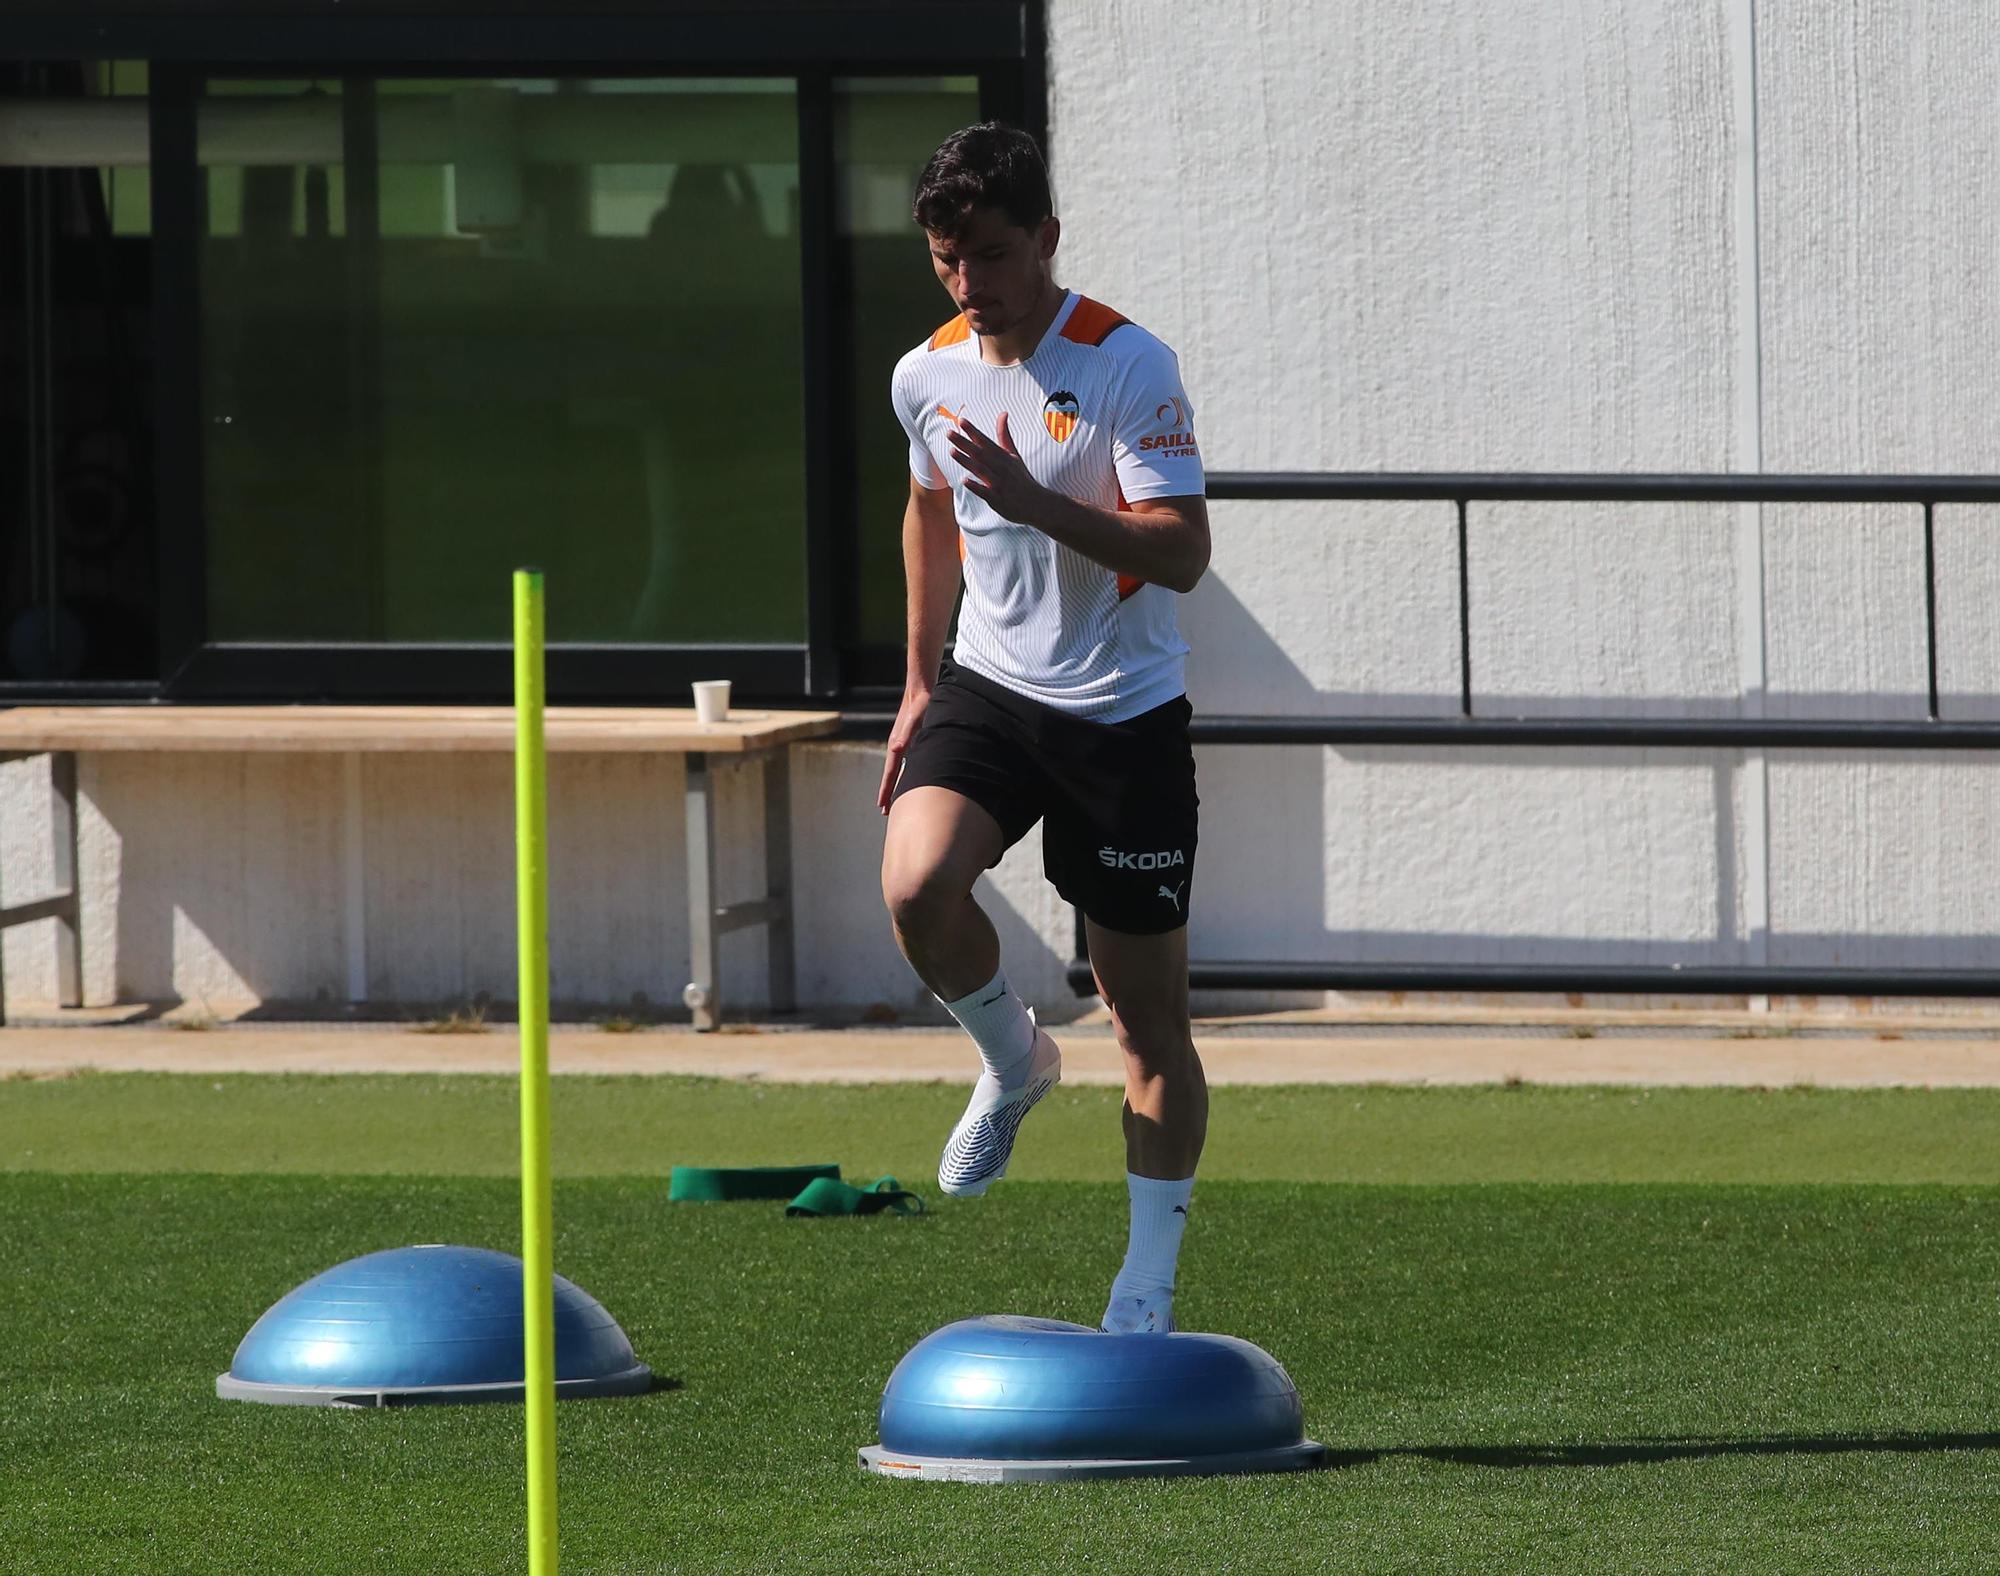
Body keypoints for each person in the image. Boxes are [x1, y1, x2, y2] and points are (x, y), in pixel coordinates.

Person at [876, 122, 1210, 1335]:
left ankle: (1145, 1288)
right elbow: (926, 511)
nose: (972, 287)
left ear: (1048, 241)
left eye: (995, 257)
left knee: (1145, 1022)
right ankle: (1013, 1059)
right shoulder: (925, 372)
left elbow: (1181, 551)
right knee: (916, 888)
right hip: (988, 689)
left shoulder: (1128, 364)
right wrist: (917, 679)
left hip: (1120, 719)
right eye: (947, 261)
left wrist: (1032, 503)